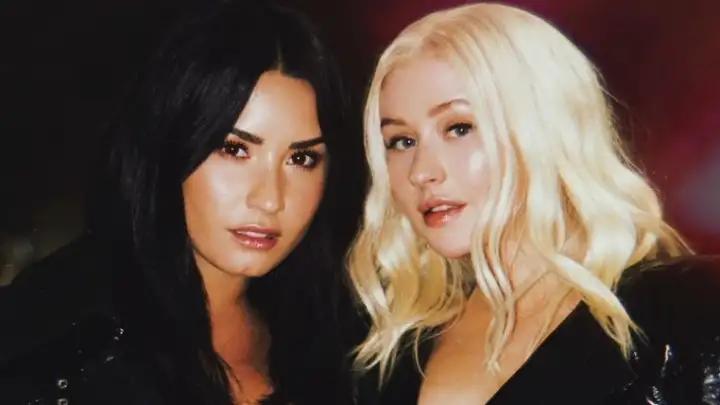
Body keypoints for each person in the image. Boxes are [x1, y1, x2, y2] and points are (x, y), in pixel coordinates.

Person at [348, 3, 720, 405]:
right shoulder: (388, 349)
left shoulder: (685, 309)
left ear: (543, 129)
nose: (421, 171)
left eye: (459, 128)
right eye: (401, 141)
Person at [0, 1, 364, 404]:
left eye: (302, 159)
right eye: (234, 149)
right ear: (171, 143)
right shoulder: (64, 339)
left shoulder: (347, 333)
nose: (269, 198)